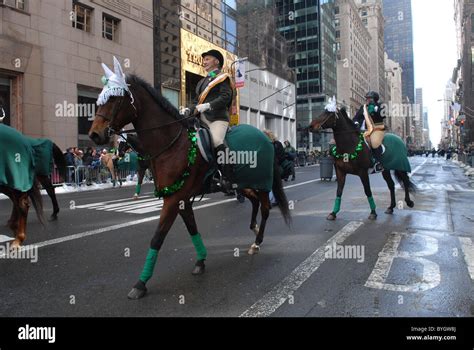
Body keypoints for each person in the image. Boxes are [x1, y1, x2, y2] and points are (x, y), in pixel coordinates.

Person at [189, 49, 234, 192]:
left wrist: (208, 105)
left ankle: (228, 177)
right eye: (204, 59)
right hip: (201, 119)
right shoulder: (202, 82)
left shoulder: (223, 77)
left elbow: (226, 97)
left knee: (216, 141)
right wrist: (188, 109)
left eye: (207, 59)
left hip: (217, 118)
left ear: (217, 61)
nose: (204, 61)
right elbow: (197, 101)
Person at [353, 91, 386, 172]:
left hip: (375, 129)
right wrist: (356, 123)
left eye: (369, 98)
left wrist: (375, 108)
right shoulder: (363, 107)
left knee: (374, 143)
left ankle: (378, 163)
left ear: (374, 99)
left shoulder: (380, 106)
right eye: (366, 98)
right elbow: (356, 118)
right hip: (361, 130)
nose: (367, 100)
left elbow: (383, 116)